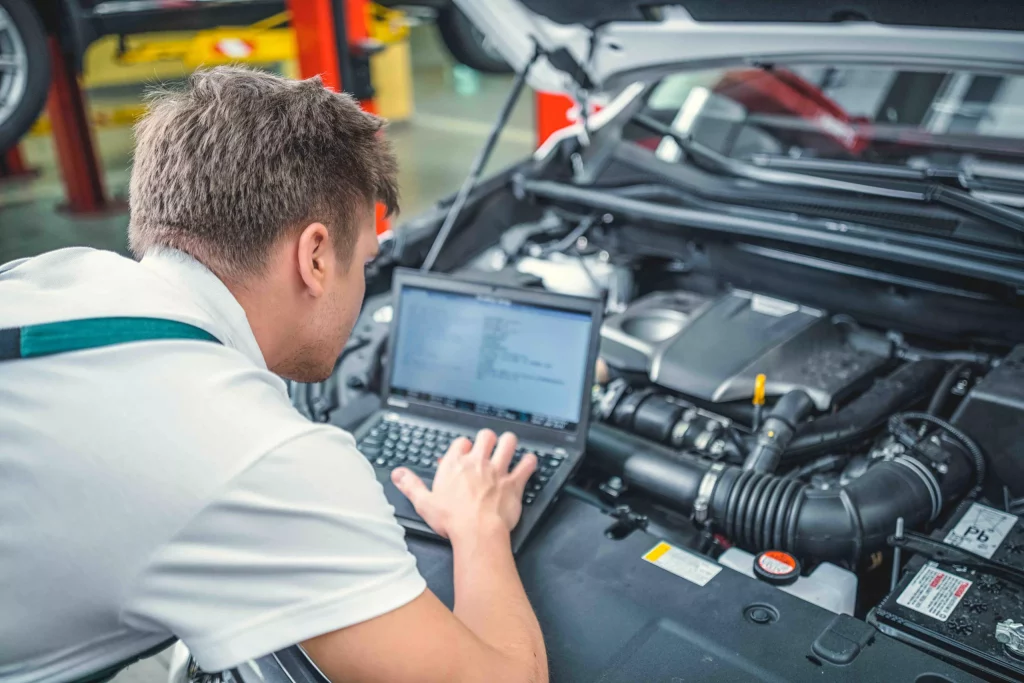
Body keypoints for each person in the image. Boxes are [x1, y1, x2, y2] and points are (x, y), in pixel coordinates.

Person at [0, 66, 547, 683]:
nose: (363, 283)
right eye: (365, 261)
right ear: (315, 257)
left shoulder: (54, 273)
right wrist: (478, 528)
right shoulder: (255, 457)